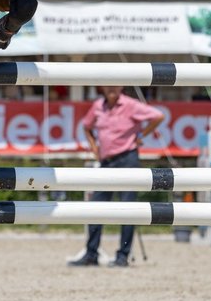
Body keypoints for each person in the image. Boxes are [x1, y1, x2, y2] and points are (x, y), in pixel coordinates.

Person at [68, 85, 165, 268]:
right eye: (108, 85)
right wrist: (94, 147)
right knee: (96, 207)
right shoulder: (98, 105)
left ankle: (123, 255)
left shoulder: (131, 104)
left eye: (115, 85)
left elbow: (158, 116)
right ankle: (91, 253)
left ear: (121, 87)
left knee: (127, 210)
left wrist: (141, 135)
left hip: (127, 158)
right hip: (107, 161)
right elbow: (86, 126)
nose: (111, 88)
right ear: (102, 88)